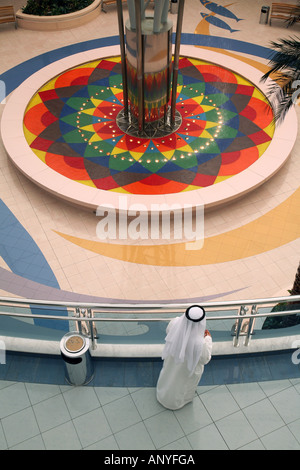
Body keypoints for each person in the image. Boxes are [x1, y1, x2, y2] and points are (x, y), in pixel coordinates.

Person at [156, 305, 212, 410]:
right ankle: (177, 403)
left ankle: (163, 394)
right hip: (187, 370)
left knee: (169, 376)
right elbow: (205, 359)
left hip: (172, 361)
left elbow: (169, 332)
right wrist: (208, 338)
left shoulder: (175, 323)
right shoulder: (202, 343)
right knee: (182, 385)